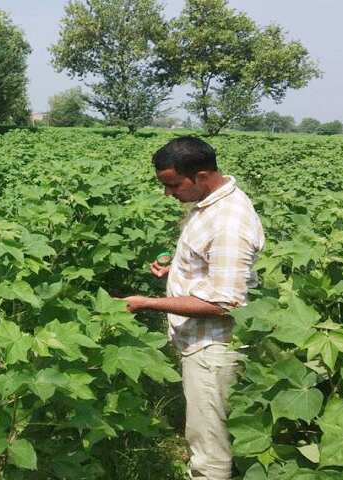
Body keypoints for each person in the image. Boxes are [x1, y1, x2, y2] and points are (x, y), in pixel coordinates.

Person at [123, 136, 264, 480]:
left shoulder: (229, 223)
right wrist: (178, 268)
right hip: (199, 341)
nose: (167, 193)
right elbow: (214, 266)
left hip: (212, 348)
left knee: (210, 449)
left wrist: (148, 303)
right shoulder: (211, 203)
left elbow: (225, 302)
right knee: (212, 431)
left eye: (173, 185)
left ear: (201, 176)